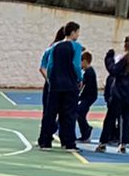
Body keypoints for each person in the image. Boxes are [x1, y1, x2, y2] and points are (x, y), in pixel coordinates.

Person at [99, 33, 129, 156]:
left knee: (110, 118)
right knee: (126, 120)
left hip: (120, 93)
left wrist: (109, 58)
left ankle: (103, 143)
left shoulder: (127, 58)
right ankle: (123, 144)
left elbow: (114, 70)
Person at [38, 22, 81, 150]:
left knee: (50, 113)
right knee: (69, 114)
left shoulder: (55, 46)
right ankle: (69, 142)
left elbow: (50, 65)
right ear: (73, 32)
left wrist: (51, 79)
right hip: (69, 84)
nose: (78, 35)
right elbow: (76, 65)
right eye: (78, 32)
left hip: (55, 84)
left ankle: (45, 141)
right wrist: (79, 78)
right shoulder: (76, 46)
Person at [76, 51, 98, 144]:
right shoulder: (88, 71)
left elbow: (82, 85)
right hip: (87, 96)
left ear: (85, 61)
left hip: (89, 97)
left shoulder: (89, 72)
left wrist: (79, 95)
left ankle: (86, 131)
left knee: (79, 113)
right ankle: (85, 132)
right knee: (80, 113)